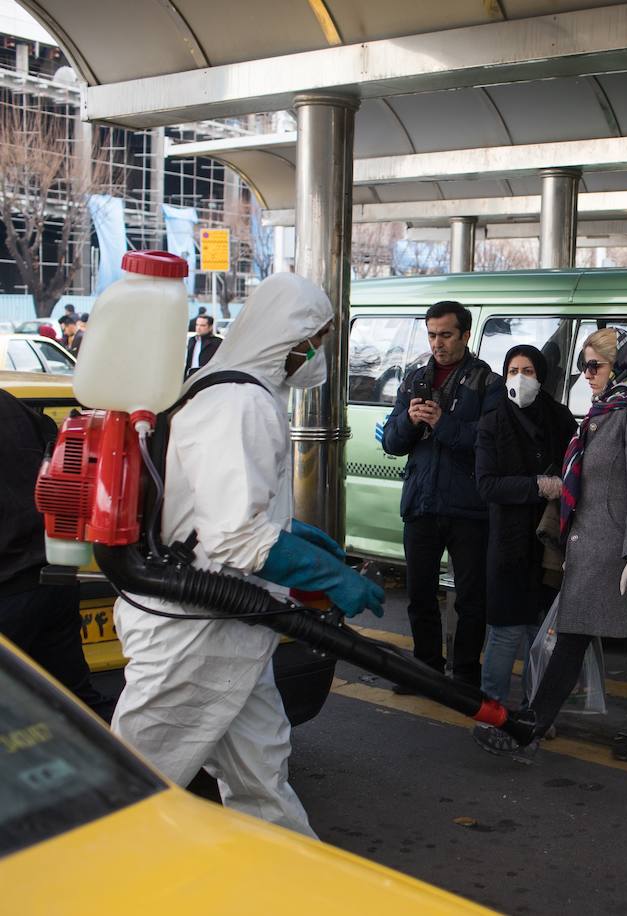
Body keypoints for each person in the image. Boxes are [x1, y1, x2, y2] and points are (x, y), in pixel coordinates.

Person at [111, 272, 385, 837]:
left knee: (261, 769)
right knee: (131, 792)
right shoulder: (241, 401)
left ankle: (290, 881)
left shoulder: (220, 386)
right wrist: (330, 578)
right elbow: (234, 538)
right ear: (291, 337)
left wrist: (303, 541)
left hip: (231, 624)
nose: (317, 354)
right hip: (195, 632)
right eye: (317, 340)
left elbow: (211, 508)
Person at [474, 327, 627, 763]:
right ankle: (539, 727)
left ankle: (534, 728)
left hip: (618, 553)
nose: (587, 374)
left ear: (620, 365)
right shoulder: (607, 409)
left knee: (625, 641)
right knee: (593, 639)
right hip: (596, 550)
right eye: (584, 365)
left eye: (595, 366)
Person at [381, 301, 500, 687]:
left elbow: (489, 444)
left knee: (470, 597)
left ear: (466, 335)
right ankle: (425, 668)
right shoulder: (415, 379)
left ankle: (466, 673)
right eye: (432, 335)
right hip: (421, 502)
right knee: (419, 594)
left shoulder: (487, 382)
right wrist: (409, 421)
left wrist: (442, 423)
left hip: (468, 507)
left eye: (446, 335)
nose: (437, 343)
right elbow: (394, 443)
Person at [473, 344, 576, 706]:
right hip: (509, 544)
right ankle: (493, 709)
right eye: (513, 370)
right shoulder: (492, 421)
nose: (519, 377)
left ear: (541, 376)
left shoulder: (561, 419)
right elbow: (486, 484)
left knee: (542, 631)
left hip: (549, 544)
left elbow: (576, 470)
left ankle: (538, 710)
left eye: (528, 370)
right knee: (505, 631)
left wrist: (563, 484)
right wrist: (537, 486)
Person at [0, 388, 109, 717]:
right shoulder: (11, 405)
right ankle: (123, 765)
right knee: (74, 704)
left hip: (8, 587)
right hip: (50, 575)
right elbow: (61, 463)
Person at [185, 314, 222, 379]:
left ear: (210, 327)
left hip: (207, 376)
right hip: (191, 375)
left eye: (202, 325)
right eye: (197, 325)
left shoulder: (217, 342)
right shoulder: (192, 340)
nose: (198, 328)